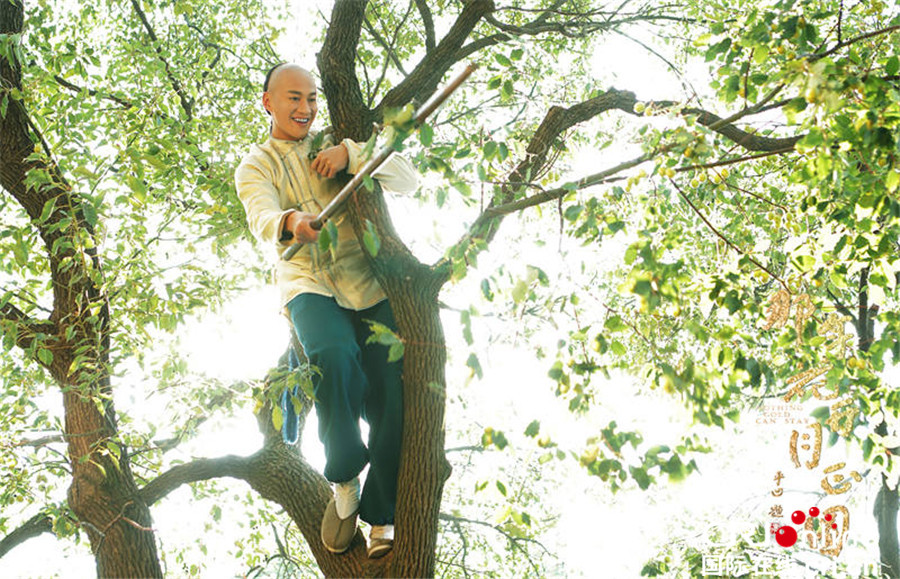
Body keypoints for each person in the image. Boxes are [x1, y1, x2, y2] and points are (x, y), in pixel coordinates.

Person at [235, 63, 417, 559]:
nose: (306, 108)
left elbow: (409, 180)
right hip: (307, 284)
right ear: (268, 101)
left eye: (312, 99)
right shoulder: (255, 163)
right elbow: (261, 215)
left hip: (370, 286)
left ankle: (382, 514)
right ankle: (343, 477)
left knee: (392, 399)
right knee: (333, 358)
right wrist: (292, 221)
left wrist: (353, 153)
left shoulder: (340, 143)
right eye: (294, 98)